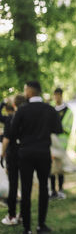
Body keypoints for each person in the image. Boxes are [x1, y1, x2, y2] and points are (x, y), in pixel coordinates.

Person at [9, 81, 63, 234]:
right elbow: (58, 129)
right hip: (43, 153)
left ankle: (27, 228)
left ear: (29, 92)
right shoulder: (49, 109)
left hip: (25, 153)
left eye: (25, 90)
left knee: (25, 191)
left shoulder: (22, 110)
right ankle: (41, 225)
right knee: (44, 189)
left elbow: (13, 133)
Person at [1, 95, 26, 226]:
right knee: (24, 186)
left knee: (13, 187)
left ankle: (11, 216)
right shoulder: (27, 119)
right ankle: (22, 215)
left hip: (12, 156)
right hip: (25, 155)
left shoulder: (11, 119)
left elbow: (6, 139)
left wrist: (2, 154)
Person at [49, 88, 73, 200]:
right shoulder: (51, 109)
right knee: (52, 167)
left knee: (60, 168)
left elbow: (68, 128)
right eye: (55, 95)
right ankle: (53, 190)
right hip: (51, 143)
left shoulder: (68, 111)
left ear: (61, 96)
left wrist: (58, 128)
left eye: (58, 95)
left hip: (61, 144)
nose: (56, 97)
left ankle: (61, 189)